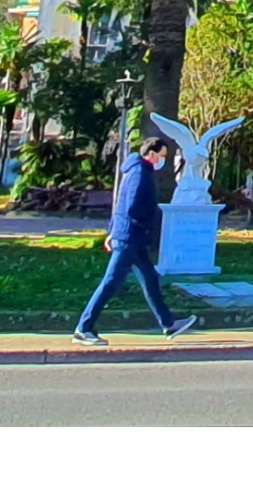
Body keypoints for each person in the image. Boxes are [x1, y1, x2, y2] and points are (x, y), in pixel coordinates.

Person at [73, 135, 197, 346]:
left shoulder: (137, 170)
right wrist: (149, 221)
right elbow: (131, 207)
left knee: (150, 278)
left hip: (131, 236)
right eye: (162, 155)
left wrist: (112, 231)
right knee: (111, 282)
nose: (163, 160)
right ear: (151, 153)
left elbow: (120, 205)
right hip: (130, 237)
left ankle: (168, 324)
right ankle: (83, 328)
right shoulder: (140, 173)